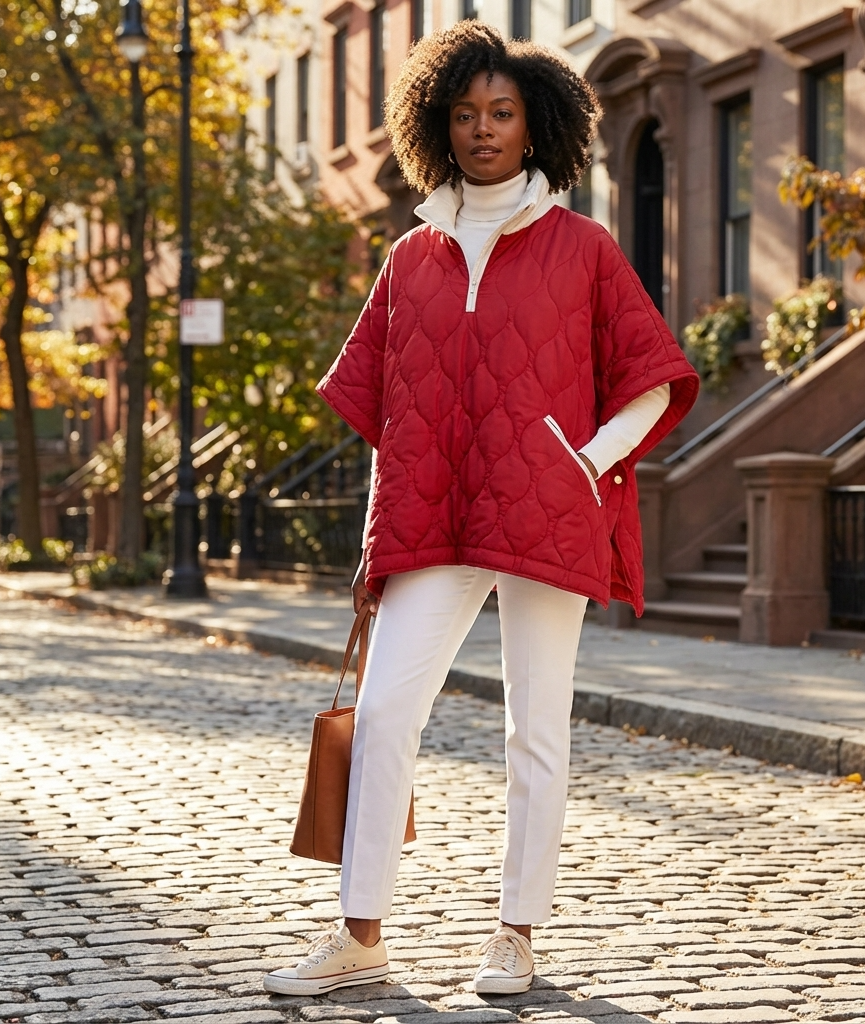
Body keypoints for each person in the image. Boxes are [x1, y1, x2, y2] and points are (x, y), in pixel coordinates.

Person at [264, 20, 698, 999]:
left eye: (501, 112)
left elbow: (650, 375)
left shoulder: (581, 248)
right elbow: (387, 407)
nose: (483, 129)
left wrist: (589, 459)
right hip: (437, 520)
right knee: (381, 716)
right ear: (437, 126)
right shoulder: (411, 256)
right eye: (464, 114)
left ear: (535, 122)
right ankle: (360, 933)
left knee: (533, 727)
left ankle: (515, 932)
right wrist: (377, 546)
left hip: (547, 509)